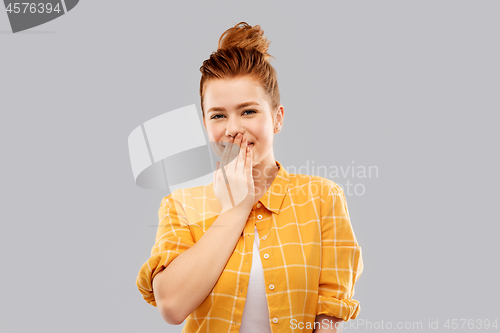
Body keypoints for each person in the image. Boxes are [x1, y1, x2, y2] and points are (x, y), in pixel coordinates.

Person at [136, 21, 363, 333]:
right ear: (205, 124)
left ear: (277, 118)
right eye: (218, 115)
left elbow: (328, 320)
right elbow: (172, 306)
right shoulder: (181, 205)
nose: (233, 128)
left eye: (248, 111)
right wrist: (236, 207)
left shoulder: (322, 198)